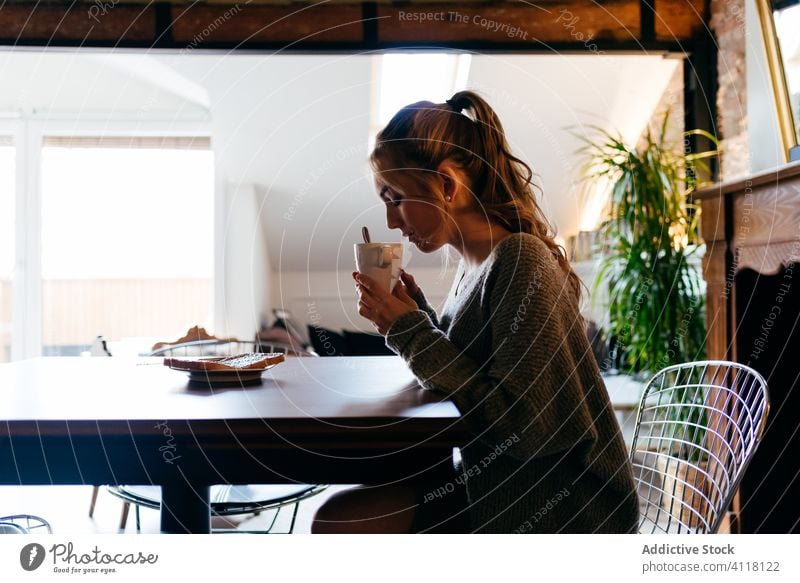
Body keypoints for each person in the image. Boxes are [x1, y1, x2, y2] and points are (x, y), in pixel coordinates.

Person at [312, 90, 639, 534]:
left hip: (559, 505)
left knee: (335, 521)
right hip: (497, 483)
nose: (392, 221)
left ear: (447, 185)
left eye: (395, 197)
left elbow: (521, 424)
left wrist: (408, 329)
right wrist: (416, 315)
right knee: (357, 499)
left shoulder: (521, 259)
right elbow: (470, 368)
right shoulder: (477, 265)